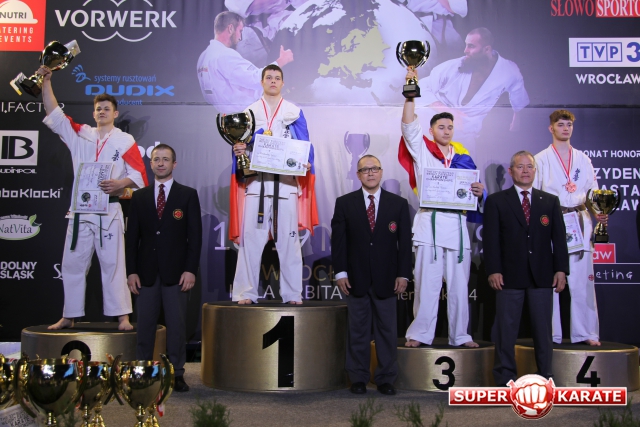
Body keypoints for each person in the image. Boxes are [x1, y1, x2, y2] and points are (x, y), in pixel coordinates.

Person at [37, 66, 148, 331]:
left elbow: (139, 175)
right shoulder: (80, 134)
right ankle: (69, 314)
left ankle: (123, 316)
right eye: (98, 109)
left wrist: (120, 184)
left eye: (107, 109)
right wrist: (46, 82)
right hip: (80, 212)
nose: (102, 112)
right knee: (72, 265)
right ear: (93, 113)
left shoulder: (125, 140)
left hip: (108, 212)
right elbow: (54, 113)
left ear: (115, 114)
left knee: (113, 265)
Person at [399, 85, 485, 348]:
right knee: (427, 285)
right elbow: (408, 126)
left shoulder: (463, 159)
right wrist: (410, 96)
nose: (446, 131)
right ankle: (420, 333)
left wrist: (479, 192)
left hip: (457, 226)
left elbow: (472, 192)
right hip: (430, 226)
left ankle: (461, 335)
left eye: (450, 127)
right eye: (441, 127)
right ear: (431, 130)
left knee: (459, 287)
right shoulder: (423, 152)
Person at [230, 64, 318, 304]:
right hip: (257, 184)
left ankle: (293, 294)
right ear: (262, 82)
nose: (272, 81)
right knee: (251, 241)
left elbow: (305, 143)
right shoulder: (249, 112)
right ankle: (245, 293)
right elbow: (240, 146)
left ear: (282, 83)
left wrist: (307, 162)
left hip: (286, 185)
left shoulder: (293, 111)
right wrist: (238, 150)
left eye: (277, 78)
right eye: (268, 77)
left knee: (289, 242)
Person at [483, 151, 569, 386]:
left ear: (535, 170)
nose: (525, 171)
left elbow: (559, 239)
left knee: (543, 331)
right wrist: (493, 270)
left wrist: (561, 269)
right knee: (506, 331)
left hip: (542, 276)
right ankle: (505, 378)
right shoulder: (497, 201)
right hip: (508, 276)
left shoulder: (549, 201)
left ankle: (546, 377)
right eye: (520, 167)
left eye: (529, 166)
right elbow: (491, 240)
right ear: (511, 171)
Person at [331, 155, 412, 395]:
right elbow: (339, 242)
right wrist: (341, 272)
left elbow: (404, 244)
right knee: (358, 330)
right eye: (365, 170)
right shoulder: (344, 203)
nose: (370, 173)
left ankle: (386, 378)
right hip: (355, 278)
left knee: (387, 331)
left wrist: (403, 274)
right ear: (358, 175)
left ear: (381, 171)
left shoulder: (398, 204)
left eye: (375, 168)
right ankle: (358, 377)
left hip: (388, 279)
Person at [126, 144, 202, 392]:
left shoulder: (187, 195)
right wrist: (131, 271)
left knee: (177, 326)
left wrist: (190, 269)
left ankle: (176, 373)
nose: (160, 163)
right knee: (144, 326)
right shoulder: (139, 197)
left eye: (165, 159)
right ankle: (142, 371)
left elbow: (195, 237)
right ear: (150, 164)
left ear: (174, 164)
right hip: (145, 273)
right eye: (156, 159)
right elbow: (132, 238)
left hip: (177, 273)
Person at [534, 110, 606, 346]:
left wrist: (598, 212)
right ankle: (551, 334)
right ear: (551, 128)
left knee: (582, 281)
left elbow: (593, 193)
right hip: (552, 220)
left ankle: (586, 333)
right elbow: (535, 196)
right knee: (551, 279)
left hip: (579, 219)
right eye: (561, 125)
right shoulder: (541, 159)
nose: (565, 128)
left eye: (569, 125)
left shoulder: (584, 159)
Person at [420, 27, 529, 154]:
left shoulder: (508, 70)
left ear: (487, 49)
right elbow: (421, 87)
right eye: (466, 45)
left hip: (467, 134)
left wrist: (516, 117)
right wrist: (446, 110)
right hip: (433, 129)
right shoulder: (452, 67)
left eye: (471, 46)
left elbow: (518, 92)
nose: (465, 50)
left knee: (465, 164)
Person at [197, 11, 294, 113]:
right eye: (240, 31)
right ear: (230, 28)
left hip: (228, 115)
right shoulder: (224, 55)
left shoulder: (203, 57)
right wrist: (281, 61)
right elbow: (256, 79)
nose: (240, 38)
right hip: (245, 115)